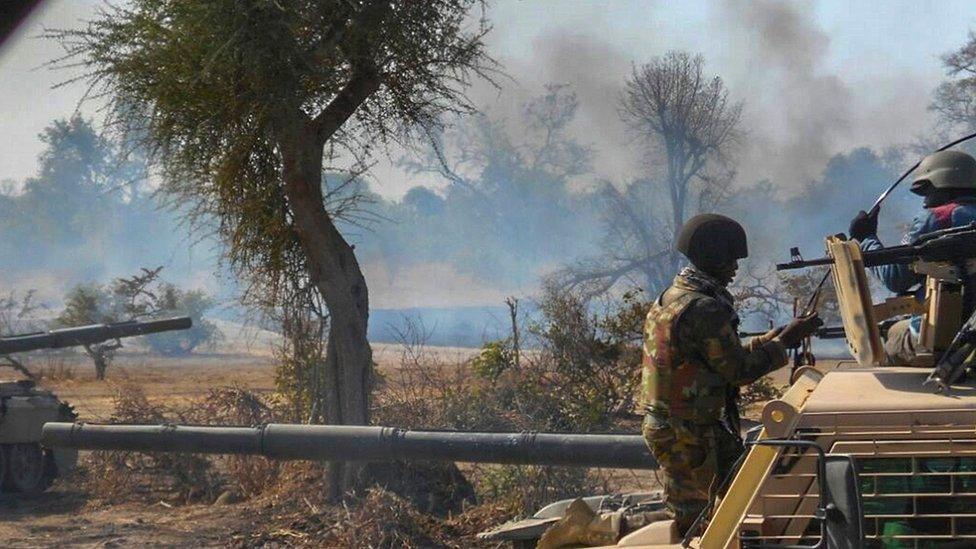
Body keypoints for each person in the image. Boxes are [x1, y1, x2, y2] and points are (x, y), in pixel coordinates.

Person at [640, 213, 822, 536]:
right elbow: (737, 370)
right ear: (712, 257)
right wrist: (785, 344)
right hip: (687, 434)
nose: (735, 269)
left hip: (682, 427)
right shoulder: (705, 309)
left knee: (745, 491)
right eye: (730, 261)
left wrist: (773, 339)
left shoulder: (674, 296)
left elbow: (722, 357)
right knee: (699, 522)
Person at [849, 150, 976, 365]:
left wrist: (866, 239)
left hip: (945, 340)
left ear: (943, 184)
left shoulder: (938, 218)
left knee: (891, 338)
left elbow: (896, 279)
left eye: (928, 192)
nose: (925, 201)